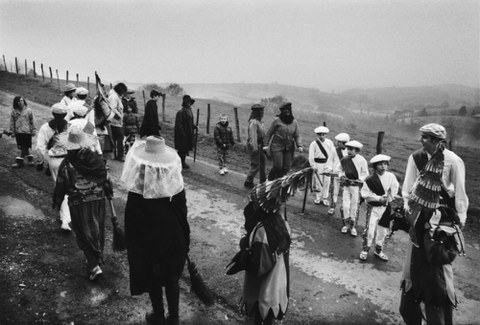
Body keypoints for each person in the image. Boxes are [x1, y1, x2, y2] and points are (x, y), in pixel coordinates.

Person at [399, 123, 468, 325]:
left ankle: (438, 314)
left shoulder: (453, 161)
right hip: (419, 219)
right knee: (414, 265)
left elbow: (460, 194)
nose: (422, 140)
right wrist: (409, 211)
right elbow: (407, 189)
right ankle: (413, 310)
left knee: (437, 266)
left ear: (439, 141)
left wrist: (459, 221)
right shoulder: (415, 158)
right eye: (422, 136)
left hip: (441, 224)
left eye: (426, 137)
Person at [121, 136, 190, 325]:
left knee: (153, 278)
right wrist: (184, 239)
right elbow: (181, 212)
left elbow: (133, 220)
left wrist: (133, 244)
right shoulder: (175, 184)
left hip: (149, 243)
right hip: (172, 239)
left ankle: (158, 314)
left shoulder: (138, 188)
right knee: (172, 278)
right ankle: (174, 318)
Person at [52, 125, 113, 281]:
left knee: (83, 233)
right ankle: (96, 258)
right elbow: (105, 177)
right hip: (98, 200)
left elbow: (61, 185)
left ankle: (93, 265)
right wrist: (108, 191)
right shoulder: (95, 159)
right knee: (96, 230)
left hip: (79, 203)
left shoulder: (67, 164)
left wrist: (58, 202)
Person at [36, 103, 71, 231]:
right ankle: (66, 218)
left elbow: (40, 147)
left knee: (59, 187)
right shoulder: (69, 127)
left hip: (54, 161)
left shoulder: (45, 127)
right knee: (68, 188)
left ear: (53, 113)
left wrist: (46, 160)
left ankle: (65, 218)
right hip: (68, 160)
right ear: (65, 114)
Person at [359, 154, 399, 261]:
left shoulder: (391, 176)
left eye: (385, 164)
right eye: (380, 164)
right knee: (370, 230)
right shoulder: (370, 180)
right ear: (375, 166)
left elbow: (394, 188)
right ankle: (365, 249)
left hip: (385, 207)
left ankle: (378, 249)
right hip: (373, 208)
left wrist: (388, 198)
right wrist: (378, 199)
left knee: (383, 230)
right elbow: (365, 194)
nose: (383, 167)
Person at [263, 102, 303, 181]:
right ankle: (269, 179)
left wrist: (299, 145)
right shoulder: (277, 121)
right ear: (282, 111)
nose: (287, 112)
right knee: (278, 165)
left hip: (288, 147)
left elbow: (297, 135)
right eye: (285, 111)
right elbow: (269, 133)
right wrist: (266, 144)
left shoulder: (294, 122)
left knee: (287, 167)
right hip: (277, 145)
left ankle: (278, 180)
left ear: (290, 111)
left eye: (288, 110)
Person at [339, 140, 369, 236]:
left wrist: (360, 179)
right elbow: (339, 169)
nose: (349, 151)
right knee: (345, 205)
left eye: (351, 149)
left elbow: (365, 173)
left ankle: (353, 226)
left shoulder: (362, 160)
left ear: (357, 150)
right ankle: (346, 225)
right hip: (347, 185)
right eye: (348, 149)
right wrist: (341, 176)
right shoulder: (344, 159)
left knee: (354, 206)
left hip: (356, 187)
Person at [308, 126, 336, 206]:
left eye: (323, 134)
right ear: (317, 135)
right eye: (319, 134)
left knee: (327, 181)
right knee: (318, 181)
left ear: (326, 135)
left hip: (327, 163)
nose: (321, 136)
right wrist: (313, 166)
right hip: (318, 164)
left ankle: (325, 198)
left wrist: (331, 165)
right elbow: (311, 156)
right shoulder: (313, 144)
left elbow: (332, 154)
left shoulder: (330, 142)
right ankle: (318, 197)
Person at [9, 96, 37, 168]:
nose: (20, 102)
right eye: (18, 101)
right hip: (18, 132)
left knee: (25, 146)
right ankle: (30, 160)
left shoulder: (29, 110)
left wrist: (33, 129)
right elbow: (12, 122)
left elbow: (33, 121)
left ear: (24, 101)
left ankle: (20, 162)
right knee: (22, 146)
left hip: (27, 132)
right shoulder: (14, 112)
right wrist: (13, 131)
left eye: (21, 100)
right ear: (16, 103)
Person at [244, 104, 267, 188]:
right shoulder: (253, 123)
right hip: (254, 145)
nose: (263, 113)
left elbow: (263, 135)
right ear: (258, 112)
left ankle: (263, 180)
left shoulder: (261, 122)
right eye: (261, 111)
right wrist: (255, 148)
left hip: (260, 145)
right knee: (255, 164)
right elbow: (252, 137)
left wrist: (264, 145)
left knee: (263, 162)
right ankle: (248, 181)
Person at [328, 132, 350, 215]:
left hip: (345, 174)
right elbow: (330, 160)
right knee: (334, 190)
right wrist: (329, 169)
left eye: (339, 142)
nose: (337, 143)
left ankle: (343, 207)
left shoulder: (349, 151)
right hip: (335, 172)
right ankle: (332, 206)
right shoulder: (334, 150)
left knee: (345, 191)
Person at [174, 95, 196, 169]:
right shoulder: (181, 112)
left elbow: (190, 122)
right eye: (187, 102)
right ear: (184, 103)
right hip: (182, 135)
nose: (189, 103)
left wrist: (194, 126)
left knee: (185, 149)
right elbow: (179, 125)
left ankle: (181, 162)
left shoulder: (189, 110)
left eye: (190, 102)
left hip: (188, 133)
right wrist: (183, 134)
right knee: (182, 150)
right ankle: (180, 163)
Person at [109, 83, 128, 161]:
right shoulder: (114, 97)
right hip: (115, 122)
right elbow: (113, 108)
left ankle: (114, 155)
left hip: (116, 122)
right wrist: (120, 115)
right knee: (120, 138)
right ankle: (120, 155)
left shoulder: (116, 96)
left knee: (115, 138)